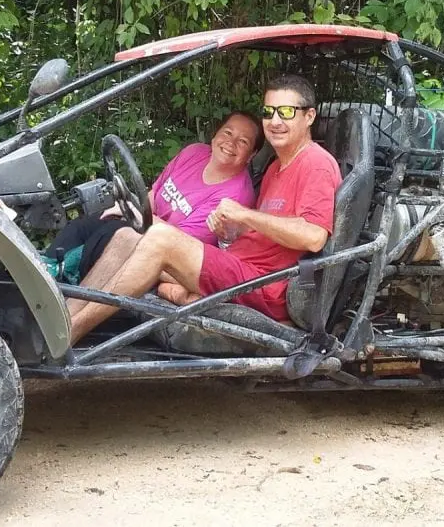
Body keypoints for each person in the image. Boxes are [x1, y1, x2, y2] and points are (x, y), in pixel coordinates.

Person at [67, 74, 341, 343]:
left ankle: (69, 336)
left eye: (287, 112)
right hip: (237, 266)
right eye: (269, 112)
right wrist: (233, 231)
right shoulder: (276, 167)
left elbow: (313, 236)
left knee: (161, 240)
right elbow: (268, 231)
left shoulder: (316, 164)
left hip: (266, 284)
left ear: (309, 116)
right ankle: (63, 320)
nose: (275, 121)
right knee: (128, 236)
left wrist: (245, 214)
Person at [43, 110, 261, 285]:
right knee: (86, 224)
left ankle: (64, 282)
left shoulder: (235, 195)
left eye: (243, 142)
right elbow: (154, 195)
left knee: (111, 234)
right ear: (215, 134)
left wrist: (133, 213)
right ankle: (44, 269)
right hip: (146, 224)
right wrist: (132, 208)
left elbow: (176, 241)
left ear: (251, 155)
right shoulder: (194, 153)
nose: (230, 143)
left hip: (167, 253)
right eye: (227, 132)